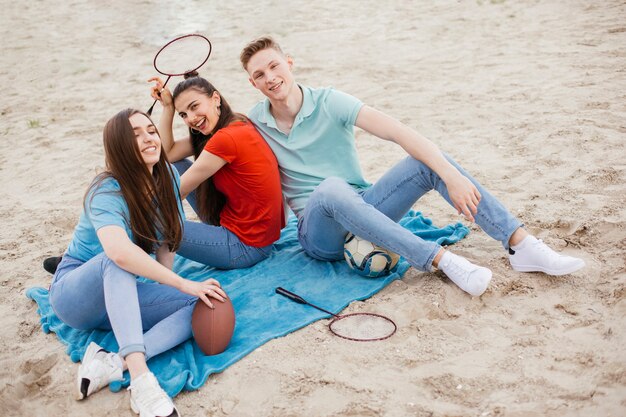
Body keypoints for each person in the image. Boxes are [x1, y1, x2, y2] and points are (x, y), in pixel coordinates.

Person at [238, 36, 585, 296]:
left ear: (290, 63)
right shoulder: (253, 123)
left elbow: (400, 132)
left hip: (365, 208)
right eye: (260, 74)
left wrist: (449, 174)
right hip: (320, 234)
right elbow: (212, 145)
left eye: (274, 66)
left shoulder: (330, 102)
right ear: (252, 83)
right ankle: (442, 261)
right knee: (329, 188)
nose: (270, 77)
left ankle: (520, 244)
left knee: (425, 161)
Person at [50, 108, 228, 416]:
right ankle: (142, 379)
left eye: (150, 131)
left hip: (123, 293)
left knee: (203, 301)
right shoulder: (105, 189)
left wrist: (170, 288)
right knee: (116, 261)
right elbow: (119, 253)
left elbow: (167, 238)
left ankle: (112, 362)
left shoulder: (167, 174)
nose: (149, 138)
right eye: (136, 135)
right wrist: (183, 282)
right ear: (119, 146)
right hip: (76, 297)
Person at [148, 71, 285, 269]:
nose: (192, 118)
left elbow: (178, 192)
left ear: (215, 98)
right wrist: (168, 107)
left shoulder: (225, 139)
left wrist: (134, 207)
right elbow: (167, 154)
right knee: (175, 166)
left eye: (195, 107)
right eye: (184, 114)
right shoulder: (235, 121)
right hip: (244, 227)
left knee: (154, 222)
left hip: (247, 246)